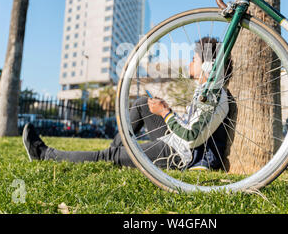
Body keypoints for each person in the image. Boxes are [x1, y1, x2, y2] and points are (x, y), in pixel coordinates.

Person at [23, 37, 231, 170]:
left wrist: (166, 113)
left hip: (179, 154)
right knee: (142, 103)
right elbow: (191, 125)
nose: (189, 63)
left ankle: (45, 155)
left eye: (194, 59)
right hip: (174, 140)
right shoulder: (206, 92)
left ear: (207, 64)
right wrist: (166, 112)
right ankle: (117, 152)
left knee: (109, 156)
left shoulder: (213, 95)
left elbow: (192, 137)